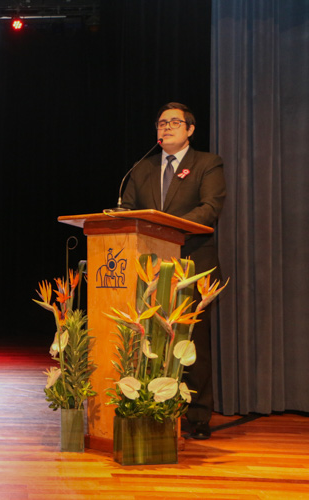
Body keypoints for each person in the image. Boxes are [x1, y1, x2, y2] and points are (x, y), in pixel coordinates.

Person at [121, 102, 226, 440]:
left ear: (190, 130)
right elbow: (127, 209)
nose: (166, 128)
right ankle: (149, 405)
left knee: (192, 339)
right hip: (148, 266)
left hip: (193, 263)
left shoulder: (207, 163)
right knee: (149, 336)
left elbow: (209, 208)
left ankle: (198, 416)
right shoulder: (142, 168)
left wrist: (167, 226)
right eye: (161, 123)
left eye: (174, 123)